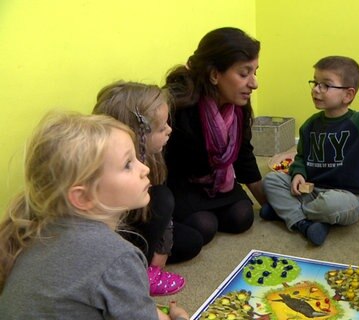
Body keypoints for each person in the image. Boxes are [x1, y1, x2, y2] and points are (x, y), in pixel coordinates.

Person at [0, 112, 189, 319]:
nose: (144, 168)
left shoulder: (35, 232)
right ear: (82, 197)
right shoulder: (118, 258)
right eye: (127, 164)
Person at [261, 54, 359, 246]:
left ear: (348, 95)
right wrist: (299, 173)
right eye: (314, 83)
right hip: (313, 190)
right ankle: (304, 223)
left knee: (329, 204)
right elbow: (301, 156)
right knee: (272, 180)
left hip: (348, 198)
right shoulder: (310, 125)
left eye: (325, 85)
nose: (316, 89)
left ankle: (287, 212)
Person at [93, 81, 203, 296]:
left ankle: (149, 261)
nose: (170, 130)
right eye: (161, 128)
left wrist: (162, 251)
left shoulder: (152, 156)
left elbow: (165, 217)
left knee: (193, 240)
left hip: (142, 226)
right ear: (137, 134)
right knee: (162, 198)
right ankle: (140, 271)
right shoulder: (109, 173)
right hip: (119, 235)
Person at [163, 27, 266, 246]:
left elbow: (243, 154)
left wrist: (268, 204)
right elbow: (163, 168)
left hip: (219, 182)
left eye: (255, 72)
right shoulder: (179, 106)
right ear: (214, 74)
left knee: (242, 217)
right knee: (204, 226)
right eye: (244, 73)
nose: (254, 83)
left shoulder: (238, 106)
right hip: (183, 183)